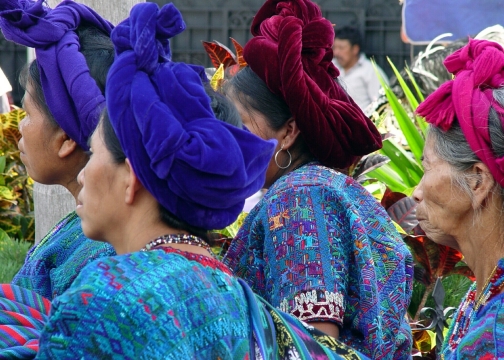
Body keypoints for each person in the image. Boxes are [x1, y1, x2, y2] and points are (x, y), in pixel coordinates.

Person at [33, 3, 368, 359]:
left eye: (94, 152)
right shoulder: (238, 298)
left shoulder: (106, 301)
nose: (84, 172)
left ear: (131, 177)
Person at [221, 1, 413, 359]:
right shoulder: (319, 188)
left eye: (242, 127)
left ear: (288, 132)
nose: (230, 141)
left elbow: (314, 347)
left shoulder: (300, 198)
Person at [0, 0, 117, 301]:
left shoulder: (102, 254)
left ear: (65, 138)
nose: (20, 127)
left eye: (27, 114)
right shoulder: (86, 227)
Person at [414, 39, 504, 359]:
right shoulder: (482, 292)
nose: (416, 191)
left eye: (427, 168)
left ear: (478, 180)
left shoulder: (495, 333)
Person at [332, 26, 389, 112]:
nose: (336, 52)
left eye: (341, 48)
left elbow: (383, 104)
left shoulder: (370, 71)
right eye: (334, 48)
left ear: (355, 49)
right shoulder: (331, 66)